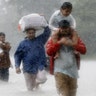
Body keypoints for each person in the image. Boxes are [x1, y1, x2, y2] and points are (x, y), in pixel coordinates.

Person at [46, 20, 86, 96]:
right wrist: (59, 43)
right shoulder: (54, 38)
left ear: (69, 28)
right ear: (59, 29)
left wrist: (73, 44)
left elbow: (84, 50)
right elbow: (49, 52)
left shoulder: (75, 38)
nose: (64, 30)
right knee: (64, 94)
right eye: (62, 28)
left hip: (73, 71)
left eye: (66, 28)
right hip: (59, 71)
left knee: (72, 94)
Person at [14, 26, 51, 91]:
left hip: (39, 66)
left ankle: (36, 84)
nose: (31, 34)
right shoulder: (22, 44)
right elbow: (18, 56)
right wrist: (17, 66)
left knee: (43, 79)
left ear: (35, 33)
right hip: (27, 68)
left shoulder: (40, 40)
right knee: (30, 89)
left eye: (32, 33)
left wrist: (44, 22)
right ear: (26, 33)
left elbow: (47, 32)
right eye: (29, 33)